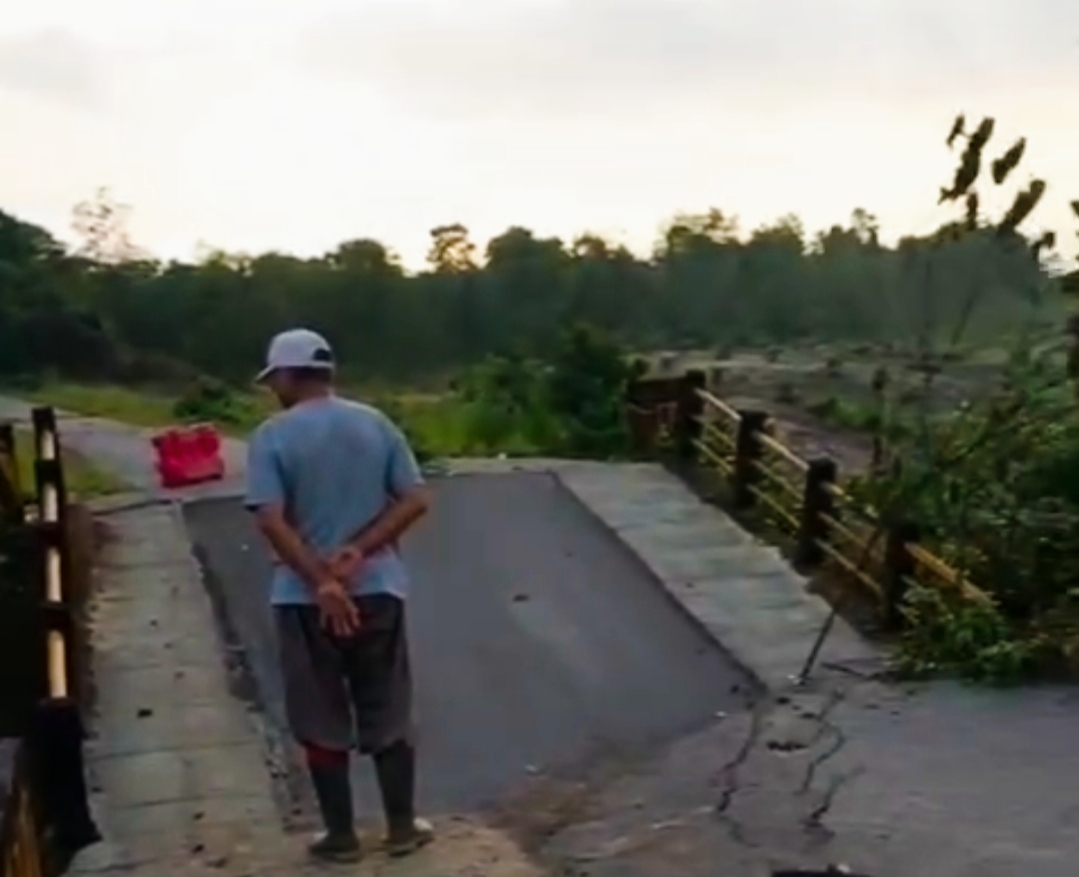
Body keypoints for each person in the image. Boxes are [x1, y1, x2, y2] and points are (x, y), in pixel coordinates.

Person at [244, 328, 433, 863]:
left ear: (286, 374)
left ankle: (342, 836)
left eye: (273, 378)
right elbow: (415, 499)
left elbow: (270, 520)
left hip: (302, 601)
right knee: (388, 701)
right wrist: (359, 551)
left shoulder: (273, 436)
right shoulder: (376, 425)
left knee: (319, 710)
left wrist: (320, 580)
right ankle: (401, 827)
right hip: (378, 589)